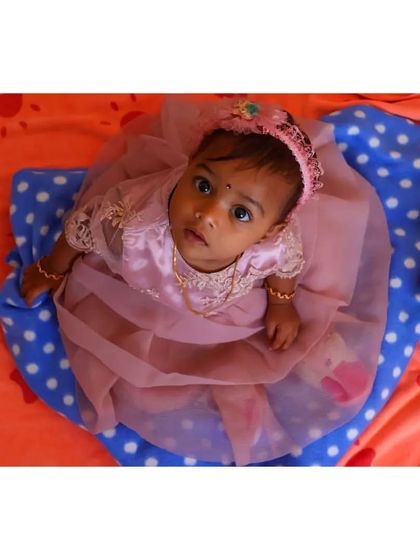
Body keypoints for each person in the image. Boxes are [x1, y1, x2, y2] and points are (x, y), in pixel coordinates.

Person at [19, 96, 391, 465]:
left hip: (229, 304)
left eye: (241, 213)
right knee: (147, 375)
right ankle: (215, 391)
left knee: (263, 343)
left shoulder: (270, 247)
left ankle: (265, 381)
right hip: (144, 293)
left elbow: (287, 265)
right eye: (202, 185)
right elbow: (81, 229)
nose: (209, 214)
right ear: (187, 168)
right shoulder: (131, 225)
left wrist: (280, 302)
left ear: (269, 231)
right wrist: (52, 268)